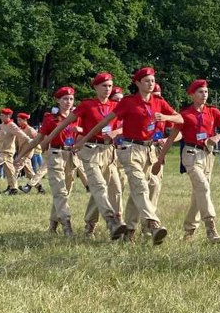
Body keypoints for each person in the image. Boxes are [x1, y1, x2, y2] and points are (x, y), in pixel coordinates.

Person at [77, 69, 182, 244]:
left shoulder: (159, 102)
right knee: (137, 186)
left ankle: (130, 230)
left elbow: (180, 120)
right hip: (129, 149)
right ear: (138, 83)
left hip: (150, 152)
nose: (151, 83)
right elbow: (105, 123)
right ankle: (153, 223)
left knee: (140, 190)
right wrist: (85, 138)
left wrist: (164, 117)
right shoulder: (128, 102)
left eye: (153, 80)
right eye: (147, 80)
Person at [41, 73, 126, 240]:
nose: (107, 89)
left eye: (110, 86)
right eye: (103, 86)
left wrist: (117, 131)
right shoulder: (87, 105)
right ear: (95, 87)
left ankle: (94, 224)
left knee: (115, 190)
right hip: (90, 151)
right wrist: (48, 140)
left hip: (109, 152)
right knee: (99, 186)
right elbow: (64, 124)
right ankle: (111, 221)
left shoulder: (117, 106)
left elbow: (128, 125)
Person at [155, 79, 220, 243]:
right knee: (203, 187)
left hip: (208, 155)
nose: (204, 95)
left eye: (206, 91)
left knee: (199, 194)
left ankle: (189, 232)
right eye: (200, 92)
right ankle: (211, 228)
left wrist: (218, 136)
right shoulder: (184, 115)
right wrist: (160, 158)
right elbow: (172, 137)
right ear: (191, 95)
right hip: (190, 154)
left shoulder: (213, 112)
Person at [15, 87, 82, 235]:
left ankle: (53, 225)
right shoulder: (50, 119)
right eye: (65, 99)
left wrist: (81, 130)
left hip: (71, 155)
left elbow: (87, 133)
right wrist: (21, 156)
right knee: (60, 191)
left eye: (71, 99)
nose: (68, 102)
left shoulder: (77, 117)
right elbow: (37, 139)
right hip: (55, 154)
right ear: (57, 101)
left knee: (65, 193)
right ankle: (67, 224)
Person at [0, 108, 30, 195]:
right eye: (0, 115)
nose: (0, 117)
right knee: (10, 171)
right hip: (3, 150)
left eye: (2, 115)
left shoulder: (12, 125)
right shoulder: (3, 124)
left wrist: (29, 140)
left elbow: (20, 133)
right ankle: (13, 188)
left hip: (7, 152)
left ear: (8, 116)